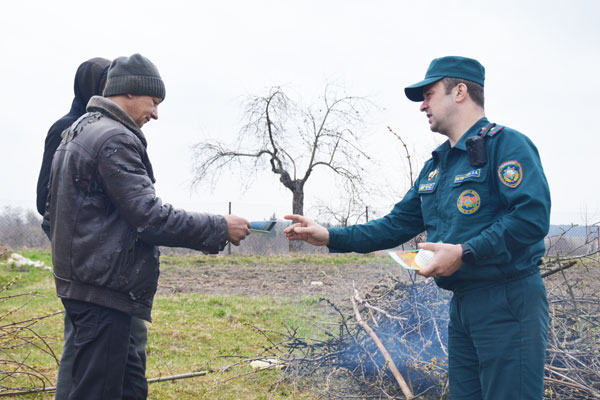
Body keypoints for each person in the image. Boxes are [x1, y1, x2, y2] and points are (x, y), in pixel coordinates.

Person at [284, 56, 550, 400]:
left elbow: (531, 217)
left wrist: (465, 252)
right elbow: (394, 225)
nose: (422, 105)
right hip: (464, 305)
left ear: (459, 92)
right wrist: (330, 235)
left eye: (429, 94)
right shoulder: (437, 166)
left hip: (508, 301)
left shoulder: (507, 146)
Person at [43, 53, 250, 399]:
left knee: (129, 389)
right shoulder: (113, 138)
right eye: (153, 102)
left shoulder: (80, 130)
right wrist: (219, 227)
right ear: (128, 93)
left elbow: (50, 213)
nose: (155, 113)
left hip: (89, 286)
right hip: (103, 293)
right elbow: (149, 217)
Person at [36, 57, 151, 400]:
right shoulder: (74, 129)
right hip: (92, 271)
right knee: (85, 354)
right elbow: (48, 200)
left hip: (116, 272)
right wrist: (84, 250)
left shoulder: (111, 130)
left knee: (129, 353)